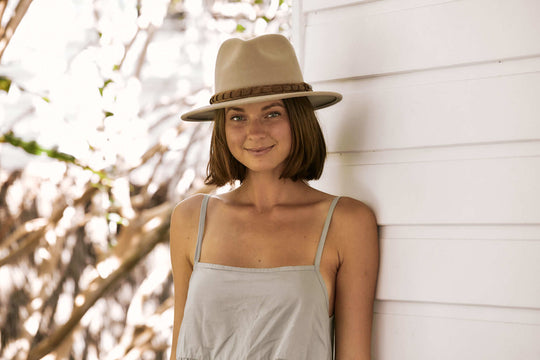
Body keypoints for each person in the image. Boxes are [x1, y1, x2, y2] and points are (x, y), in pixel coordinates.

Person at [170, 34, 379, 360]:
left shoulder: (346, 222)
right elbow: (180, 347)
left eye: (272, 114)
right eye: (237, 117)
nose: (255, 132)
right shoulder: (191, 218)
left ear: (298, 118)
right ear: (222, 129)